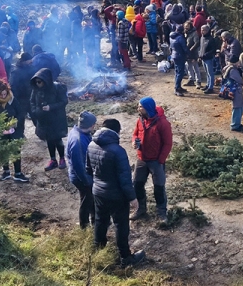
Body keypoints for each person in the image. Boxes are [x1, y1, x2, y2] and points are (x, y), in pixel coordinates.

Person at [86, 119, 146, 267]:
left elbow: (88, 169)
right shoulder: (118, 151)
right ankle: (125, 257)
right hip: (116, 195)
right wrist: (133, 198)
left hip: (98, 192)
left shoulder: (91, 145)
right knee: (121, 225)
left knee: (100, 220)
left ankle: (98, 248)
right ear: (116, 132)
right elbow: (125, 179)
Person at [131, 97, 173, 221]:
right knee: (137, 184)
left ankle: (161, 213)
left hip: (156, 161)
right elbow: (135, 134)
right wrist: (134, 142)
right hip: (142, 159)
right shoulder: (140, 120)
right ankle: (141, 209)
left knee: (159, 187)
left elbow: (168, 143)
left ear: (147, 108)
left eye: (140, 106)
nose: (138, 108)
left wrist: (160, 160)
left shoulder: (163, 123)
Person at [0, 80, 29, 183]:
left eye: (5, 94)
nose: (3, 96)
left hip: (14, 130)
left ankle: (18, 173)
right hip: (0, 131)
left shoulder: (12, 99)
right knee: (3, 150)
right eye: (1, 94)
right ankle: (6, 172)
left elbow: (20, 113)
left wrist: (14, 123)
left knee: (16, 150)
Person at [30, 68, 68, 172]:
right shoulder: (36, 89)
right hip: (43, 120)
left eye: (39, 82)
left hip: (56, 119)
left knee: (57, 139)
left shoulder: (57, 88)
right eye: (36, 82)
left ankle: (62, 158)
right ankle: (53, 160)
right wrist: (35, 112)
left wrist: (51, 107)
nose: (38, 84)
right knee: (49, 140)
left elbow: (64, 101)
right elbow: (32, 102)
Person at [68, 111, 97, 229]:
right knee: (86, 200)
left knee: (90, 198)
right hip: (81, 177)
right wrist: (87, 181)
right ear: (91, 125)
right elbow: (78, 165)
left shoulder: (78, 132)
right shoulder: (78, 141)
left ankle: (95, 219)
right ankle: (84, 226)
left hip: (83, 175)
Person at [223, 58, 243, 132]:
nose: (239, 64)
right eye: (238, 63)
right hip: (235, 90)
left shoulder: (229, 68)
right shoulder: (233, 70)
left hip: (235, 90)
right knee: (237, 107)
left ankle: (237, 123)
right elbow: (239, 80)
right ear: (235, 63)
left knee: (239, 107)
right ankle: (235, 125)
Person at [198, 25, 221, 94]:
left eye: (204, 30)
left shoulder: (211, 39)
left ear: (207, 31)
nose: (202, 31)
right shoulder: (202, 38)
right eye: (201, 30)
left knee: (210, 73)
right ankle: (207, 85)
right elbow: (201, 48)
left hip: (209, 58)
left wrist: (206, 55)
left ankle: (211, 87)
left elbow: (213, 50)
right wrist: (200, 55)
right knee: (206, 73)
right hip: (203, 58)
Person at [169, 28, 188, 96]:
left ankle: (178, 87)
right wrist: (188, 54)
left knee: (177, 72)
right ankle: (177, 88)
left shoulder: (171, 37)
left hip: (174, 55)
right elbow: (184, 48)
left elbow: (170, 47)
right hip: (180, 56)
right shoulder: (180, 38)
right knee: (180, 73)